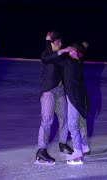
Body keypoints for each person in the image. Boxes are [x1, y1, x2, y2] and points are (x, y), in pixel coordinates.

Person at [43, 42, 90, 165]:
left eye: (71, 50)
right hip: (79, 96)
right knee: (78, 123)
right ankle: (83, 148)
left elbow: (47, 59)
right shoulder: (78, 61)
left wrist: (61, 50)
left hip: (74, 97)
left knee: (72, 125)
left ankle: (78, 154)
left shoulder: (69, 63)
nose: (69, 51)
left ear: (76, 53)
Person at [35, 31, 73, 165]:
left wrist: (75, 53)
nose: (61, 44)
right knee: (47, 121)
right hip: (48, 93)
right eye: (58, 42)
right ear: (51, 44)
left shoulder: (60, 57)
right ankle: (41, 150)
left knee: (65, 117)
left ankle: (62, 143)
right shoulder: (46, 55)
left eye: (61, 42)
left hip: (60, 91)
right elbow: (48, 58)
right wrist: (53, 46)